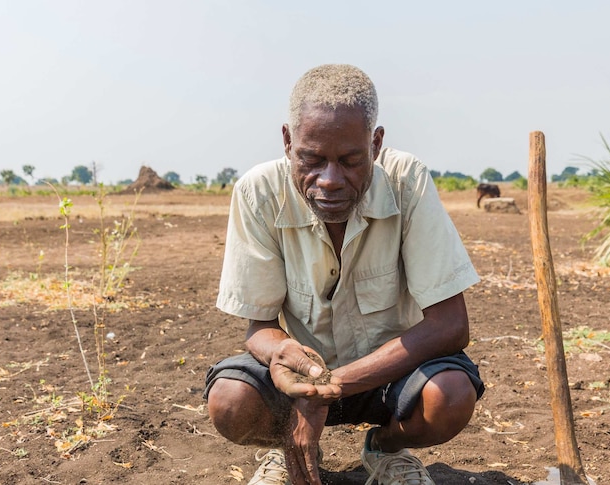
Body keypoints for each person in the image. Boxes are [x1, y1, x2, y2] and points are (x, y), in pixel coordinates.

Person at [204, 64, 485, 485]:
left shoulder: (406, 180)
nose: (330, 180)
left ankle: (385, 449)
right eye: (311, 159)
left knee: (448, 397)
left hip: (392, 376)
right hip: (301, 379)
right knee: (230, 401)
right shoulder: (258, 192)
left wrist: (332, 386)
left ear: (375, 143)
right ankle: (290, 449)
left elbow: (450, 326)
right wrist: (290, 363)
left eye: (351, 160)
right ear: (287, 141)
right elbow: (259, 326)